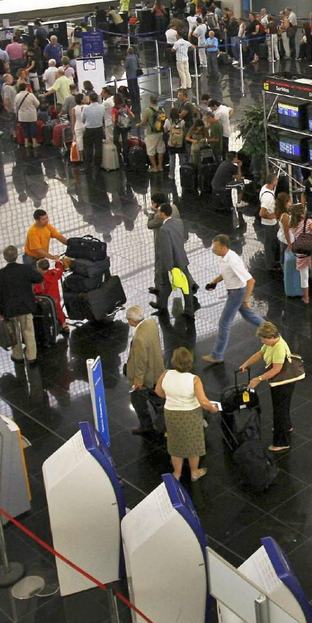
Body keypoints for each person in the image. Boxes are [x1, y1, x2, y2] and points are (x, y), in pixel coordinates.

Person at [238, 321, 303, 452]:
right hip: (279, 382)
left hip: (283, 383)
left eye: (263, 339)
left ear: (271, 337)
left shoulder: (279, 347)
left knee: (280, 410)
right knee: (282, 408)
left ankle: (281, 442)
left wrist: (258, 379)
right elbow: (260, 353)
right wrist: (246, 363)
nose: (262, 342)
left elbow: (276, 370)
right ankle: (287, 426)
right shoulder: (271, 343)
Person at [156, 347, 221, 480]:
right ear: (189, 363)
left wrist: (171, 396)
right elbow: (203, 401)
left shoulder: (166, 374)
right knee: (193, 444)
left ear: (174, 362)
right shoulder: (194, 379)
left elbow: (159, 392)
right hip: (190, 415)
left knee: (175, 444)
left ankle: (177, 473)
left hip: (171, 414)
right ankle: (194, 472)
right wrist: (212, 408)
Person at [202, 234, 264, 362]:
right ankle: (273, 332)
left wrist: (246, 300)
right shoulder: (225, 257)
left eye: (216, 247)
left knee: (224, 323)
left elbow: (251, 281)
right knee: (249, 316)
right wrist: (214, 282)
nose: (214, 249)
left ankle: (217, 355)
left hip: (237, 294)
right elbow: (226, 273)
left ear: (224, 247)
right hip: (235, 292)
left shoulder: (233, 260)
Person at [0, 246, 44, 369]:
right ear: (16, 256)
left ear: (5, 258)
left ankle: (17, 356)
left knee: (14, 333)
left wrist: (0, 311)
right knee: (28, 331)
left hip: (10, 309)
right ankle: (32, 357)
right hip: (26, 306)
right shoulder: (25, 269)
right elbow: (39, 278)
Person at [125, 305, 166, 437]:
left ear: (132, 320)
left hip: (146, 377)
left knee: (137, 400)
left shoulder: (139, 339)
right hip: (157, 370)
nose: (127, 321)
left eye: (128, 319)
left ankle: (146, 426)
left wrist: (138, 381)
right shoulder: (151, 323)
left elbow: (141, 362)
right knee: (157, 397)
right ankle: (165, 422)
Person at [150, 202, 195, 316]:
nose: (158, 213)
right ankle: (163, 304)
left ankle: (166, 305)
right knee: (174, 284)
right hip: (181, 257)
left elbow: (167, 249)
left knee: (172, 283)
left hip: (172, 262)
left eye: (159, 211)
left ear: (163, 214)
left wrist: (169, 267)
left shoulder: (164, 229)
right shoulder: (178, 222)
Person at [33, 257, 69, 331]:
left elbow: (37, 290)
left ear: (39, 269)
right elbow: (60, 269)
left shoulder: (40, 279)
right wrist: (57, 262)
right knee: (59, 310)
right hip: (56, 298)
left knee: (48, 313)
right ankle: (64, 324)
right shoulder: (54, 273)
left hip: (47, 300)